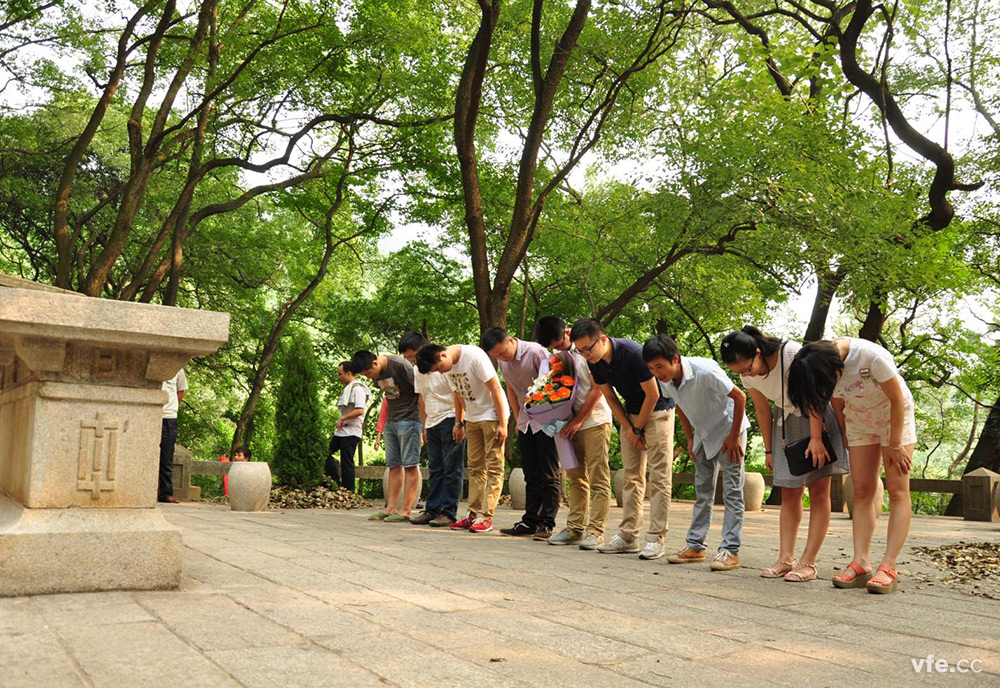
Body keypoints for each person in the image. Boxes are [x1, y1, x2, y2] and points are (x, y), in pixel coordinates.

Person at [787, 338, 915, 594]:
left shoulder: (870, 357)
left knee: (898, 489)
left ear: (836, 370)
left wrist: (895, 443)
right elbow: (835, 400)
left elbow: (897, 399)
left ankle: (888, 565)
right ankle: (861, 561)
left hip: (894, 419)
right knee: (861, 490)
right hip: (859, 420)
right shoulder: (818, 363)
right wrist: (846, 431)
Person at [720, 326, 849, 582]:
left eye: (747, 368)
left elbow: (814, 396)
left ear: (757, 352)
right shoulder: (747, 375)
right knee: (789, 492)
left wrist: (815, 438)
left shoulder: (789, 353)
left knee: (819, 491)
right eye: (740, 373)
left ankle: (808, 562)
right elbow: (762, 410)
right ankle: (785, 558)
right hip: (785, 425)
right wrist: (769, 449)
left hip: (815, 417)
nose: (746, 374)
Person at [569, 318, 675, 560]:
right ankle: (628, 535)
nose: (586, 354)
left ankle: (656, 538)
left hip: (658, 411)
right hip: (631, 415)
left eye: (589, 348)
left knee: (659, 477)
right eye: (580, 350)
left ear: (603, 339)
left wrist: (637, 429)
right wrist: (628, 427)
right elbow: (609, 396)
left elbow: (653, 393)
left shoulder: (632, 353)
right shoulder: (594, 363)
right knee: (631, 476)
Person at [644, 335, 749, 571]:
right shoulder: (665, 380)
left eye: (660, 366)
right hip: (702, 434)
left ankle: (730, 550)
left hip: (728, 429)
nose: (657, 373)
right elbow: (678, 404)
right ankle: (695, 546)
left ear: (674, 358)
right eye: (651, 368)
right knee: (702, 490)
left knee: (732, 491)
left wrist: (733, 437)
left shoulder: (705, 371)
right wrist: (690, 438)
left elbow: (740, 397)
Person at [535, 316, 614, 550]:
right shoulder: (556, 357)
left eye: (558, 343)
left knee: (599, 477)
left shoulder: (587, 350)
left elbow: (598, 388)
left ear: (565, 332)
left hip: (595, 421)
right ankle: (574, 528)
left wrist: (579, 420)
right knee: (575, 478)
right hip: (568, 424)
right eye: (551, 347)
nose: (556, 348)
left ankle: (596, 531)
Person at [416, 342, 509, 533]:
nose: (440, 373)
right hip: (472, 418)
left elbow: (495, 389)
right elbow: (458, 396)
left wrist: (503, 423)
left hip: (491, 416)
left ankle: (487, 516)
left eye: (439, 368)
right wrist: (459, 423)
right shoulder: (447, 367)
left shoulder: (474, 356)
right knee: (475, 468)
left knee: (494, 467)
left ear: (442, 355)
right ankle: (473, 515)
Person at [482, 327, 560, 541]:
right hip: (526, 422)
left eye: (503, 352)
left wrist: (550, 414)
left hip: (547, 419)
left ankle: (547, 522)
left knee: (549, 472)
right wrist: (517, 418)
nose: (502, 358)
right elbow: (511, 388)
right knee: (531, 473)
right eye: (496, 356)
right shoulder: (503, 361)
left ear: (510, 339)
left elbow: (555, 382)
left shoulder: (535, 352)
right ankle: (530, 520)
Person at [399, 332, 463, 527]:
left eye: (413, 355)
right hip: (432, 422)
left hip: (450, 418)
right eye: (408, 357)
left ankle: (448, 512)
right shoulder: (418, 371)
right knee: (435, 468)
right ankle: (432, 508)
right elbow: (421, 397)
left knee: (452, 468)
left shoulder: (444, 367)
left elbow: (458, 394)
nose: (412, 360)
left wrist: (459, 423)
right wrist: (424, 425)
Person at [350, 349, 421, 523]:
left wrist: (424, 423)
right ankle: (390, 508)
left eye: (368, 373)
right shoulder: (375, 375)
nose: (368, 377)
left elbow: (421, 390)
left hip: (410, 419)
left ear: (375, 363)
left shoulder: (399, 365)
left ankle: (406, 510)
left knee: (410, 464)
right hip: (392, 421)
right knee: (393, 465)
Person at [328, 361, 370, 493]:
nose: (338, 377)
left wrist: (343, 418)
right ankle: (334, 481)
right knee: (324, 453)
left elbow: (359, 410)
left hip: (351, 431)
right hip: (341, 431)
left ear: (349, 373)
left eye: (340, 374)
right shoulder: (348, 388)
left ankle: (349, 490)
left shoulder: (358, 389)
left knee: (346, 461)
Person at [158, 368, 188, 504]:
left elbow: (180, 392)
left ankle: (166, 493)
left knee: (166, 458)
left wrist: (171, 408)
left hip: (169, 417)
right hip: (149, 414)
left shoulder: (178, 369)